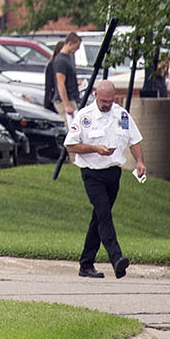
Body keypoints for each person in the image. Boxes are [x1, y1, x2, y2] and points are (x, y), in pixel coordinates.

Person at [66, 78, 145, 278]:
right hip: (92, 173)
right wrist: (94, 148)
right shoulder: (85, 117)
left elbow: (133, 140)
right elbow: (70, 146)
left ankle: (86, 264)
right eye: (103, 101)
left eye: (110, 101)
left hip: (113, 173)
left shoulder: (121, 115)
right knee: (104, 214)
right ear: (96, 96)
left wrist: (140, 162)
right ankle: (116, 258)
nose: (106, 105)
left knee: (99, 218)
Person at [45, 32, 84, 117]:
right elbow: (60, 83)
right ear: (70, 43)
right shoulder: (61, 60)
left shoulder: (68, 58)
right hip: (64, 101)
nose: (77, 49)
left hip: (71, 98)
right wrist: (66, 105)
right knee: (71, 127)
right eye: (77, 46)